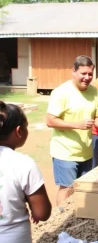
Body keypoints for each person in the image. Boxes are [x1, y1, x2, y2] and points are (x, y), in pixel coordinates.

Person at [47, 55, 98, 205]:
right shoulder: (61, 92)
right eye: (83, 73)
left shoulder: (94, 92)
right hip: (65, 152)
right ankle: (61, 222)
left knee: (82, 190)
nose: (87, 77)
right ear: (73, 71)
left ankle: (75, 222)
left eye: (90, 74)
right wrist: (77, 124)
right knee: (67, 189)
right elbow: (50, 120)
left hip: (85, 152)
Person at [0, 101, 52, 242]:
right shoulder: (23, 163)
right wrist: (29, 201)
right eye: (26, 127)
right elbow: (42, 213)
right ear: (18, 131)